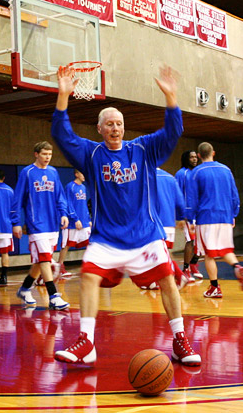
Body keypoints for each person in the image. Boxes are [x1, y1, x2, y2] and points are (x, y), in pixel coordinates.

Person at [51, 64, 201, 367]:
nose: (115, 128)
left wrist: (171, 98)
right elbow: (61, 134)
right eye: (109, 124)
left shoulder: (143, 149)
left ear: (124, 126)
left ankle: (180, 340)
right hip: (106, 237)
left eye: (118, 123)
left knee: (167, 279)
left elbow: (173, 131)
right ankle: (87, 342)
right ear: (100, 129)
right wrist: (63, 96)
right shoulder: (91, 154)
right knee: (88, 277)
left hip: (144, 234)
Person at [186, 142, 243, 299]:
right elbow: (234, 194)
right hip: (225, 216)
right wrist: (234, 214)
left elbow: (192, 198)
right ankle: (237, 266)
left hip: (206, 217)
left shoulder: (197, 172)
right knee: (225, 250)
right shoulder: (226, 170)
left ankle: (214, 287)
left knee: (209, 254)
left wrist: (191, 219)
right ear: (213, 153)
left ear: (199, 155)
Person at [12, 142, 71, 311]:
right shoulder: (27, 173)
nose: (47, 157)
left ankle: (24, 289)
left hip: (52, 223)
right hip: (36, 223)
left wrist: (64, 213)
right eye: (44, 154)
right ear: (36, 154)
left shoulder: (53, 172)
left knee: (40, 260)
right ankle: (53, 296)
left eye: (50, 155)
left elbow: (60, 196)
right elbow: (17, 199)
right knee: (45, 259)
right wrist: (16, 222)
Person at [140, 168, 189, 291]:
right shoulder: (170, 178)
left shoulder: (143, 177)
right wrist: (181, 217)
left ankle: (179, 275)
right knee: (160, 253)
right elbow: (180, 201)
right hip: (168, 222)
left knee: (156, 253)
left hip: (152, 223)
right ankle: (154, 281)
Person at [57, 170, 91, 278]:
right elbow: (68, 204)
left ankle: (89, 266)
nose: (84, 176)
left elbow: (84, 205)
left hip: (84, 221)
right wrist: (75, 219)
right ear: (76, 174)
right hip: (73, 223)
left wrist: (88, 218)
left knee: (90, 244)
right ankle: (59, 267)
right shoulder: (70, 187)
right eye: (82, 173)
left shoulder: (84, 188)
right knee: (66, 245)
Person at [175, 150, 201, 281]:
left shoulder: (198, 173)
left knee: (200, 242)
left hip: (199, 212)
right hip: (187, 213)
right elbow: (177, 194)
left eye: (196, 157)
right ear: (186, 159)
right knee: (190, 241)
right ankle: (185, 270)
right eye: (191, 157)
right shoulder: (181, 174)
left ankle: (194, 263)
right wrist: (180, 214)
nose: (194, 159)